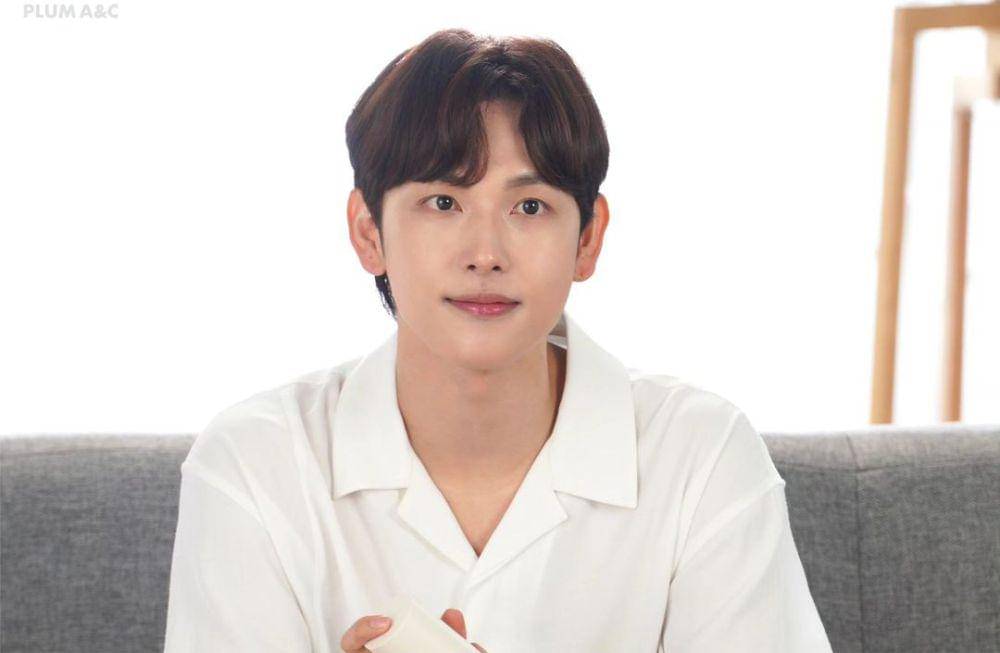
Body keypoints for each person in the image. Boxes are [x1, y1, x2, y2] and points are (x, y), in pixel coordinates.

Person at [163, 28, 834, 652]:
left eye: (529, 206)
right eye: (444, 202)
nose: (485, 253)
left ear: (588, 238)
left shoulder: (702, 456)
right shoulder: (255, 465)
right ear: (369, 233)